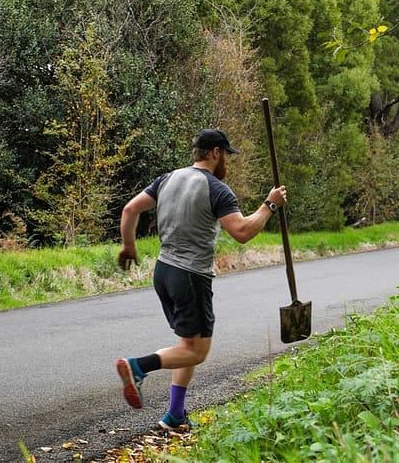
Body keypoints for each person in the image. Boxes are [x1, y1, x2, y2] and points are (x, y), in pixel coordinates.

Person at [115, 128, 287, 431]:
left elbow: (130, 209)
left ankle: (176, 414)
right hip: (190, 276)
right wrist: (269, 205)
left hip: (163, 271)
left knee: (186, 344)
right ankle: (138, 366)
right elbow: (242, 232)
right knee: (196, 351)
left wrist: (129, 246)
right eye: (227, 157)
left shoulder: (167, 179)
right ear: (216, 153)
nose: (228, 164)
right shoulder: (217, 189)